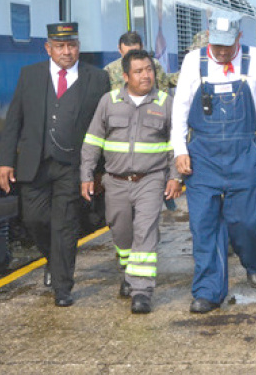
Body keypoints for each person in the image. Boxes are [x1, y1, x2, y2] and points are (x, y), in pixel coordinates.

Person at [0, 22, 110, 307]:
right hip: (35, 163)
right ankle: (53, 259)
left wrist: (99, 170)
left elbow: (105, 128)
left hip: (73, 166)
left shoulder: (97, 79)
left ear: (78, 47)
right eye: (60, 46)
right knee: (34, 219)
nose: (66, 51)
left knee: (65, 225)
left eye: (71, 45)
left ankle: (62, 287)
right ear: (48, 48)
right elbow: (14, 120)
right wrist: (5, 162)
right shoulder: (30, 75)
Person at [171, 16, 256, 313]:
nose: (221, 52)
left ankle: (254, 259)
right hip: (203, 157)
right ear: (208, 36)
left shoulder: (255, 59)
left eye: (227, 46)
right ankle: (208, 291)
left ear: (239, 37)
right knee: (203, 225)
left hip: (243, 153)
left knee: (245, 222)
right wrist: (180, 149)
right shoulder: (193, 62)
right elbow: (180, 108)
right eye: (216, 45)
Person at [81, 49, 183, 314]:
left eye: (149, 70)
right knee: (121, 231)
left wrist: (175, 177)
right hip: (115, 181)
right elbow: (92, 141)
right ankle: (128, 271)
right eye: (138, 71)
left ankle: (142, 291)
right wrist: (87, 175)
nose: (146, 75)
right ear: (126, 76)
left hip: (151, 179)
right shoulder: (108, 102)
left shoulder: (165, 103)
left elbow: (176, 144)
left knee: (145, 231)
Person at [104, 31, 170, 91]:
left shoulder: (153, 65)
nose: (131, 58)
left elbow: (163, 90)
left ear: (141, 47)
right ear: (120, 50)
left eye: (135, 54)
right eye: (127, 55)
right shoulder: (109, 70)